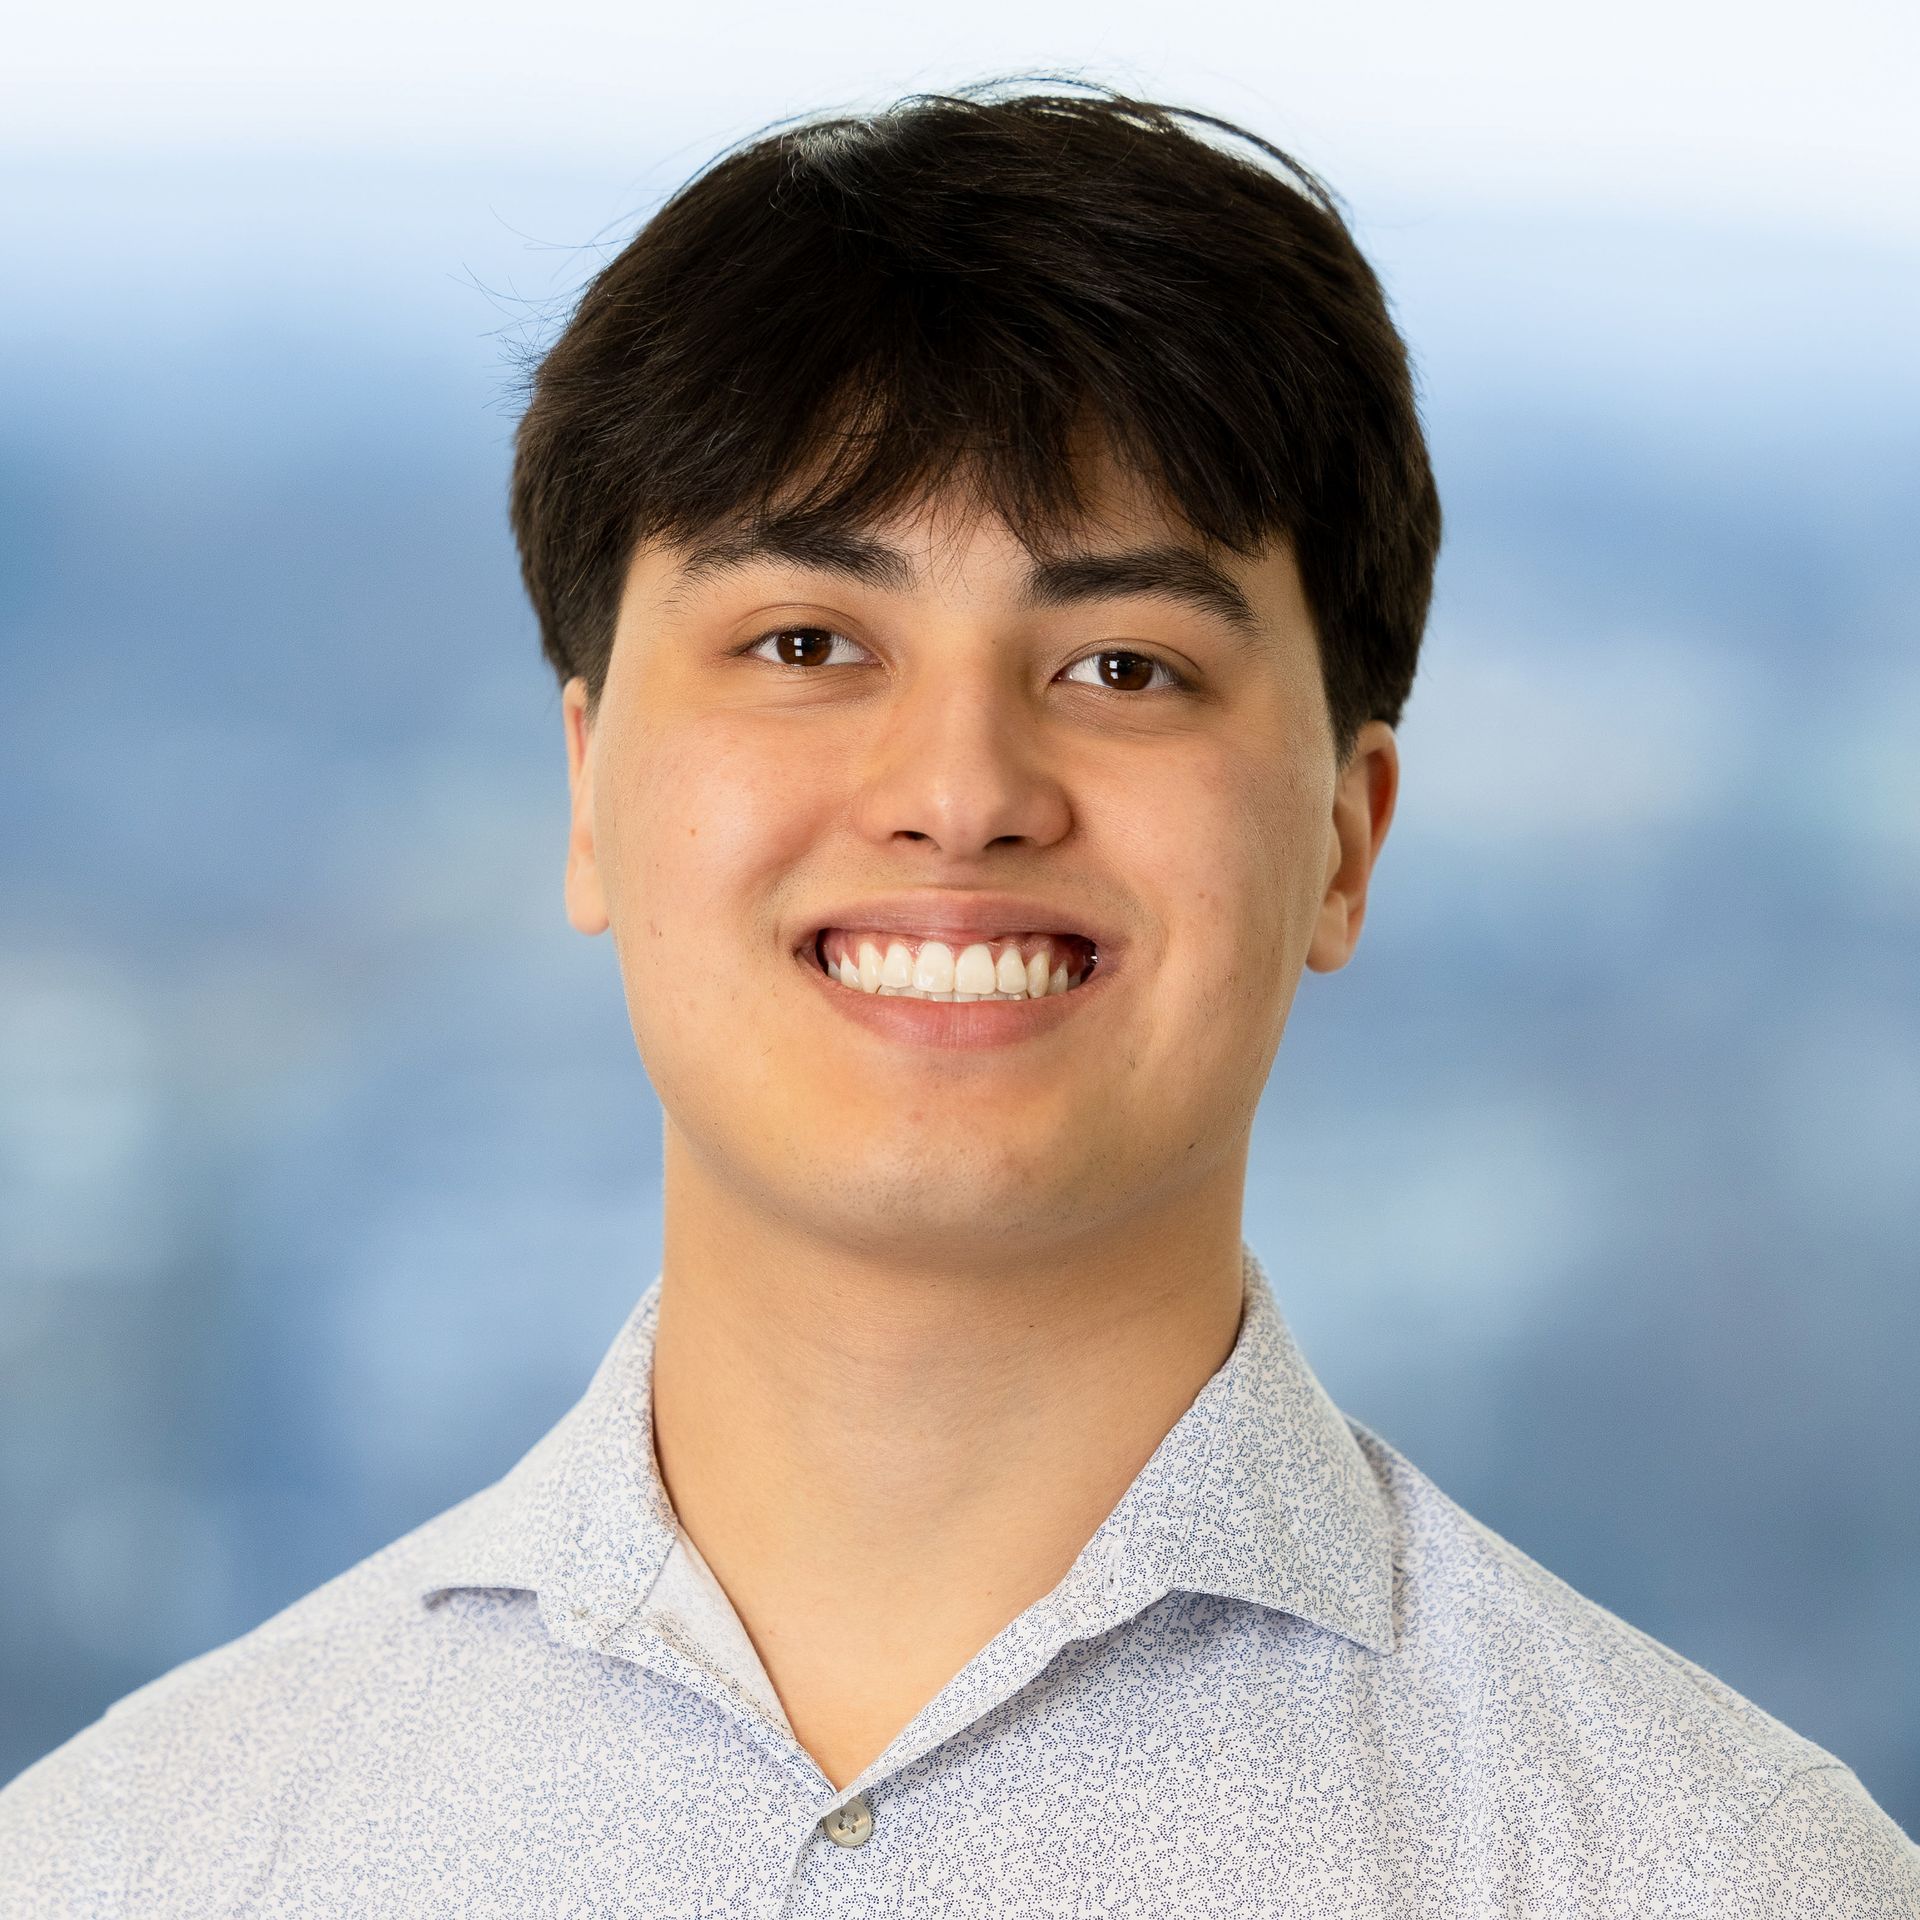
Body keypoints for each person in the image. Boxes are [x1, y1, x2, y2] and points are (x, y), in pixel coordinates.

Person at [2, 78, 1914, 1918]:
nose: (961, 790)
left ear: (1346, 835)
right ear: (586, 790)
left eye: (1122, 667)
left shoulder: (1717, 1878)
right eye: (809, 641)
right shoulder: (128, 1865)